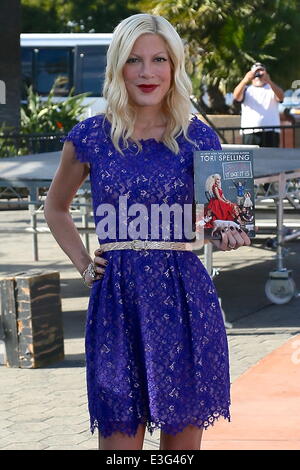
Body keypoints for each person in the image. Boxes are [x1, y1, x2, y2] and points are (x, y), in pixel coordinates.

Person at [44, 13, 251, 451]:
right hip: (117, 301)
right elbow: (56, 207)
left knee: (181, 450)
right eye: (134, 60)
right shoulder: (91, 137)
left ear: (174, 66)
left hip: (184, 298)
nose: (147, 71)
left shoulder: (199, 138)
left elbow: (216, 217)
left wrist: (225, 232)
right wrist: (84, 264)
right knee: (119, 446)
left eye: (159, 59)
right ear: (118, 66)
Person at [233, 62, 284, 147]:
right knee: (252, 159)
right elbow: (236, 96)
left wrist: (269, 81)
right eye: (256, 72)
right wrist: (245, 80)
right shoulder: (246, 90)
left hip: (271, 132)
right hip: (250, 132)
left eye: (261, 72)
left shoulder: (271, 89)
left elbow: (281, 97)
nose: (258, 75)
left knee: (271, 159)